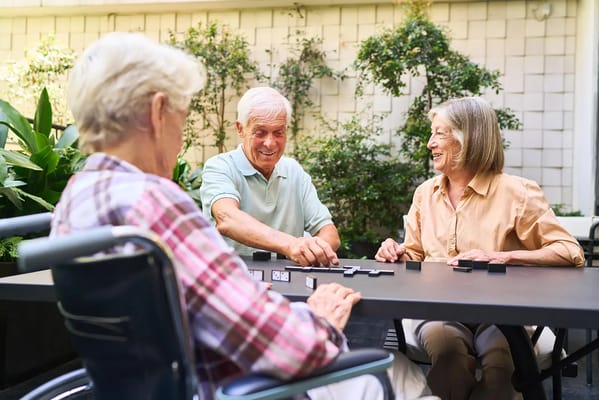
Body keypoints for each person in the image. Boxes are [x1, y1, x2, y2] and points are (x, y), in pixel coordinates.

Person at [51, 32, 438, 400]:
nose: (181, 137)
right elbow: (290, 352)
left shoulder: (74, 200)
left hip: (156, 385)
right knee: (397, 370)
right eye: (182, 119)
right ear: (157, 112)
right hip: (237, 388)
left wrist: (239, 298)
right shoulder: (153, 203)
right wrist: (319, 320)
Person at [375, 96, 585, 400]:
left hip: (504, 312)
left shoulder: (519, 192)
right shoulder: (425, 194)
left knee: (500, 370)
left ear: (469, 137)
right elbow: (416, 254)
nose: (429, 143)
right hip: (439, 311)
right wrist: (396, 253)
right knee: (449, 362)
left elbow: (569, 251)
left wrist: (501, 257)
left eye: (439, 133)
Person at [200, 86, 339, 267]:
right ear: (240, 129)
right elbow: (227, 218)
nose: (270, 143)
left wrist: (314, 251)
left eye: (278, 133)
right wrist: (291, 245)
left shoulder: (294, 171)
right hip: (234, 282)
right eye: (260, 132)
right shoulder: (220, 167)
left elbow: (329, 233)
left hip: (292, 283)